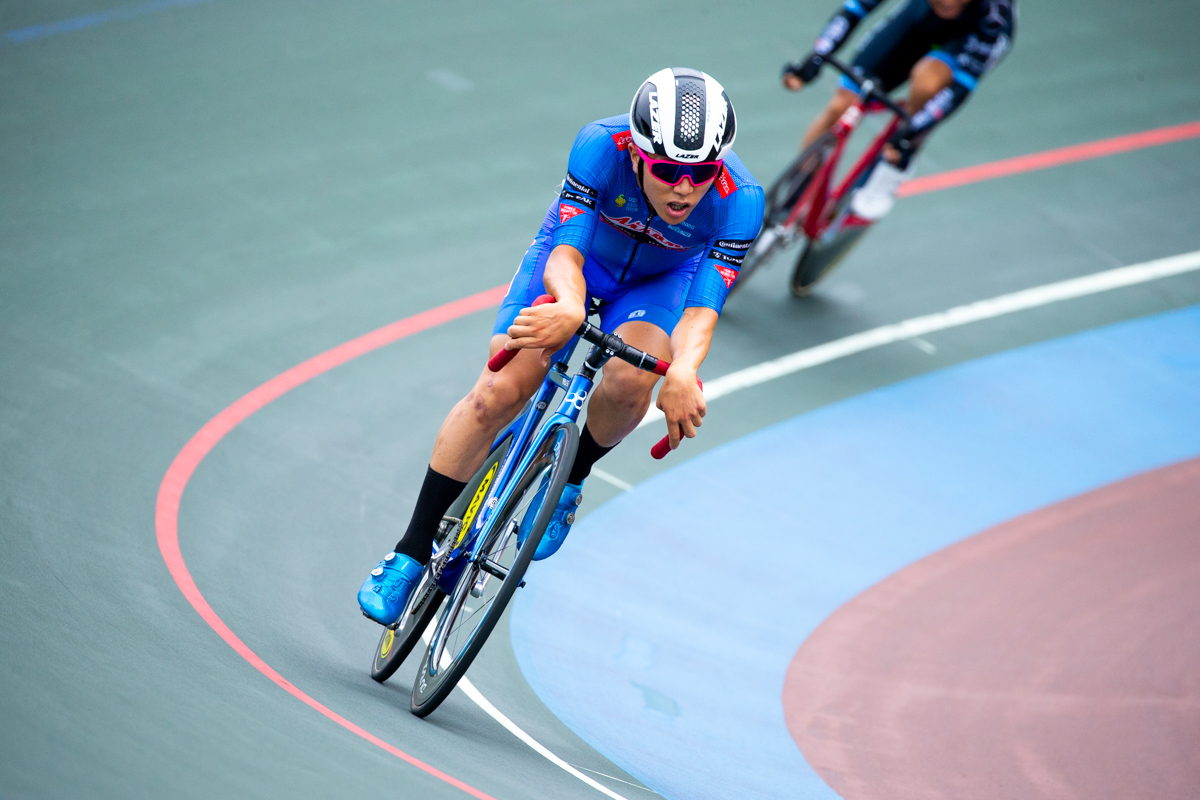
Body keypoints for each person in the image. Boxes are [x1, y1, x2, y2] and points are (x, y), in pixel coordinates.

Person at [358, 68, 765, 625]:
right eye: (669, 170)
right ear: (640, 154)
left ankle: (569, 479)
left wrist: (684, 370)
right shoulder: (601, 145)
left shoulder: (741, 201)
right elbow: (567, 250)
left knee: (632, 381)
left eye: (701, 173)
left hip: (658, 285)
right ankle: (409, 552)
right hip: (577, 261)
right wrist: (569, 307)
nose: (685, 188)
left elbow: (701, 310)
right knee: (498, 392)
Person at [782, 0, 1016, 219]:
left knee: (927, 83)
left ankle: (897, 161)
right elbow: (855, 8)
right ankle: (799, 184)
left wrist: (914, 129)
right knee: (842, 103)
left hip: (968, 38)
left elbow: (960, 88)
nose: (947, 1)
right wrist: (817, 56)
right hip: (921, 19)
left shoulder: (995, 15)